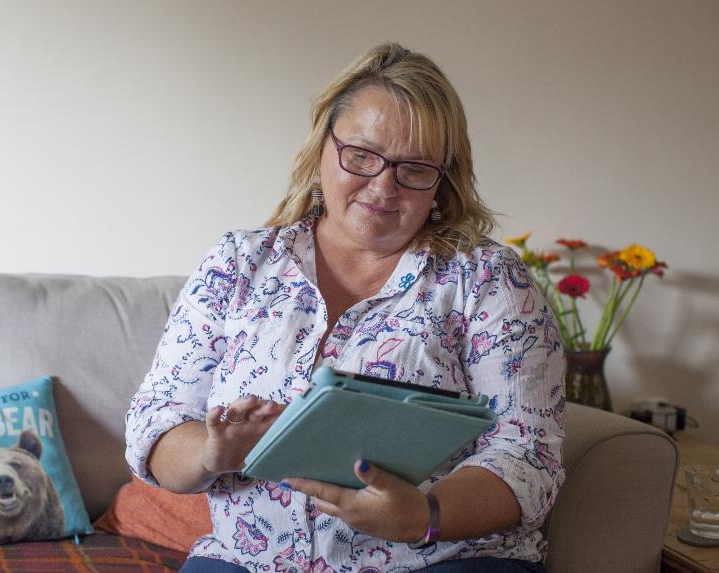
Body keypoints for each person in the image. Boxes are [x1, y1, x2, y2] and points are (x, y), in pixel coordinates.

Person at [125, 43, 565, 573]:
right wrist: (213, 452)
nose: (383, 186)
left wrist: (424, 515)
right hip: (250, 562)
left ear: (443, 180)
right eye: (361, 155)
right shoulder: (237, 264)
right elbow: (156, 424)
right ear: (321, 151)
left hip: (440, 560)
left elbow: (528, 458)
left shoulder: (489, 280)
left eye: (415, 169)